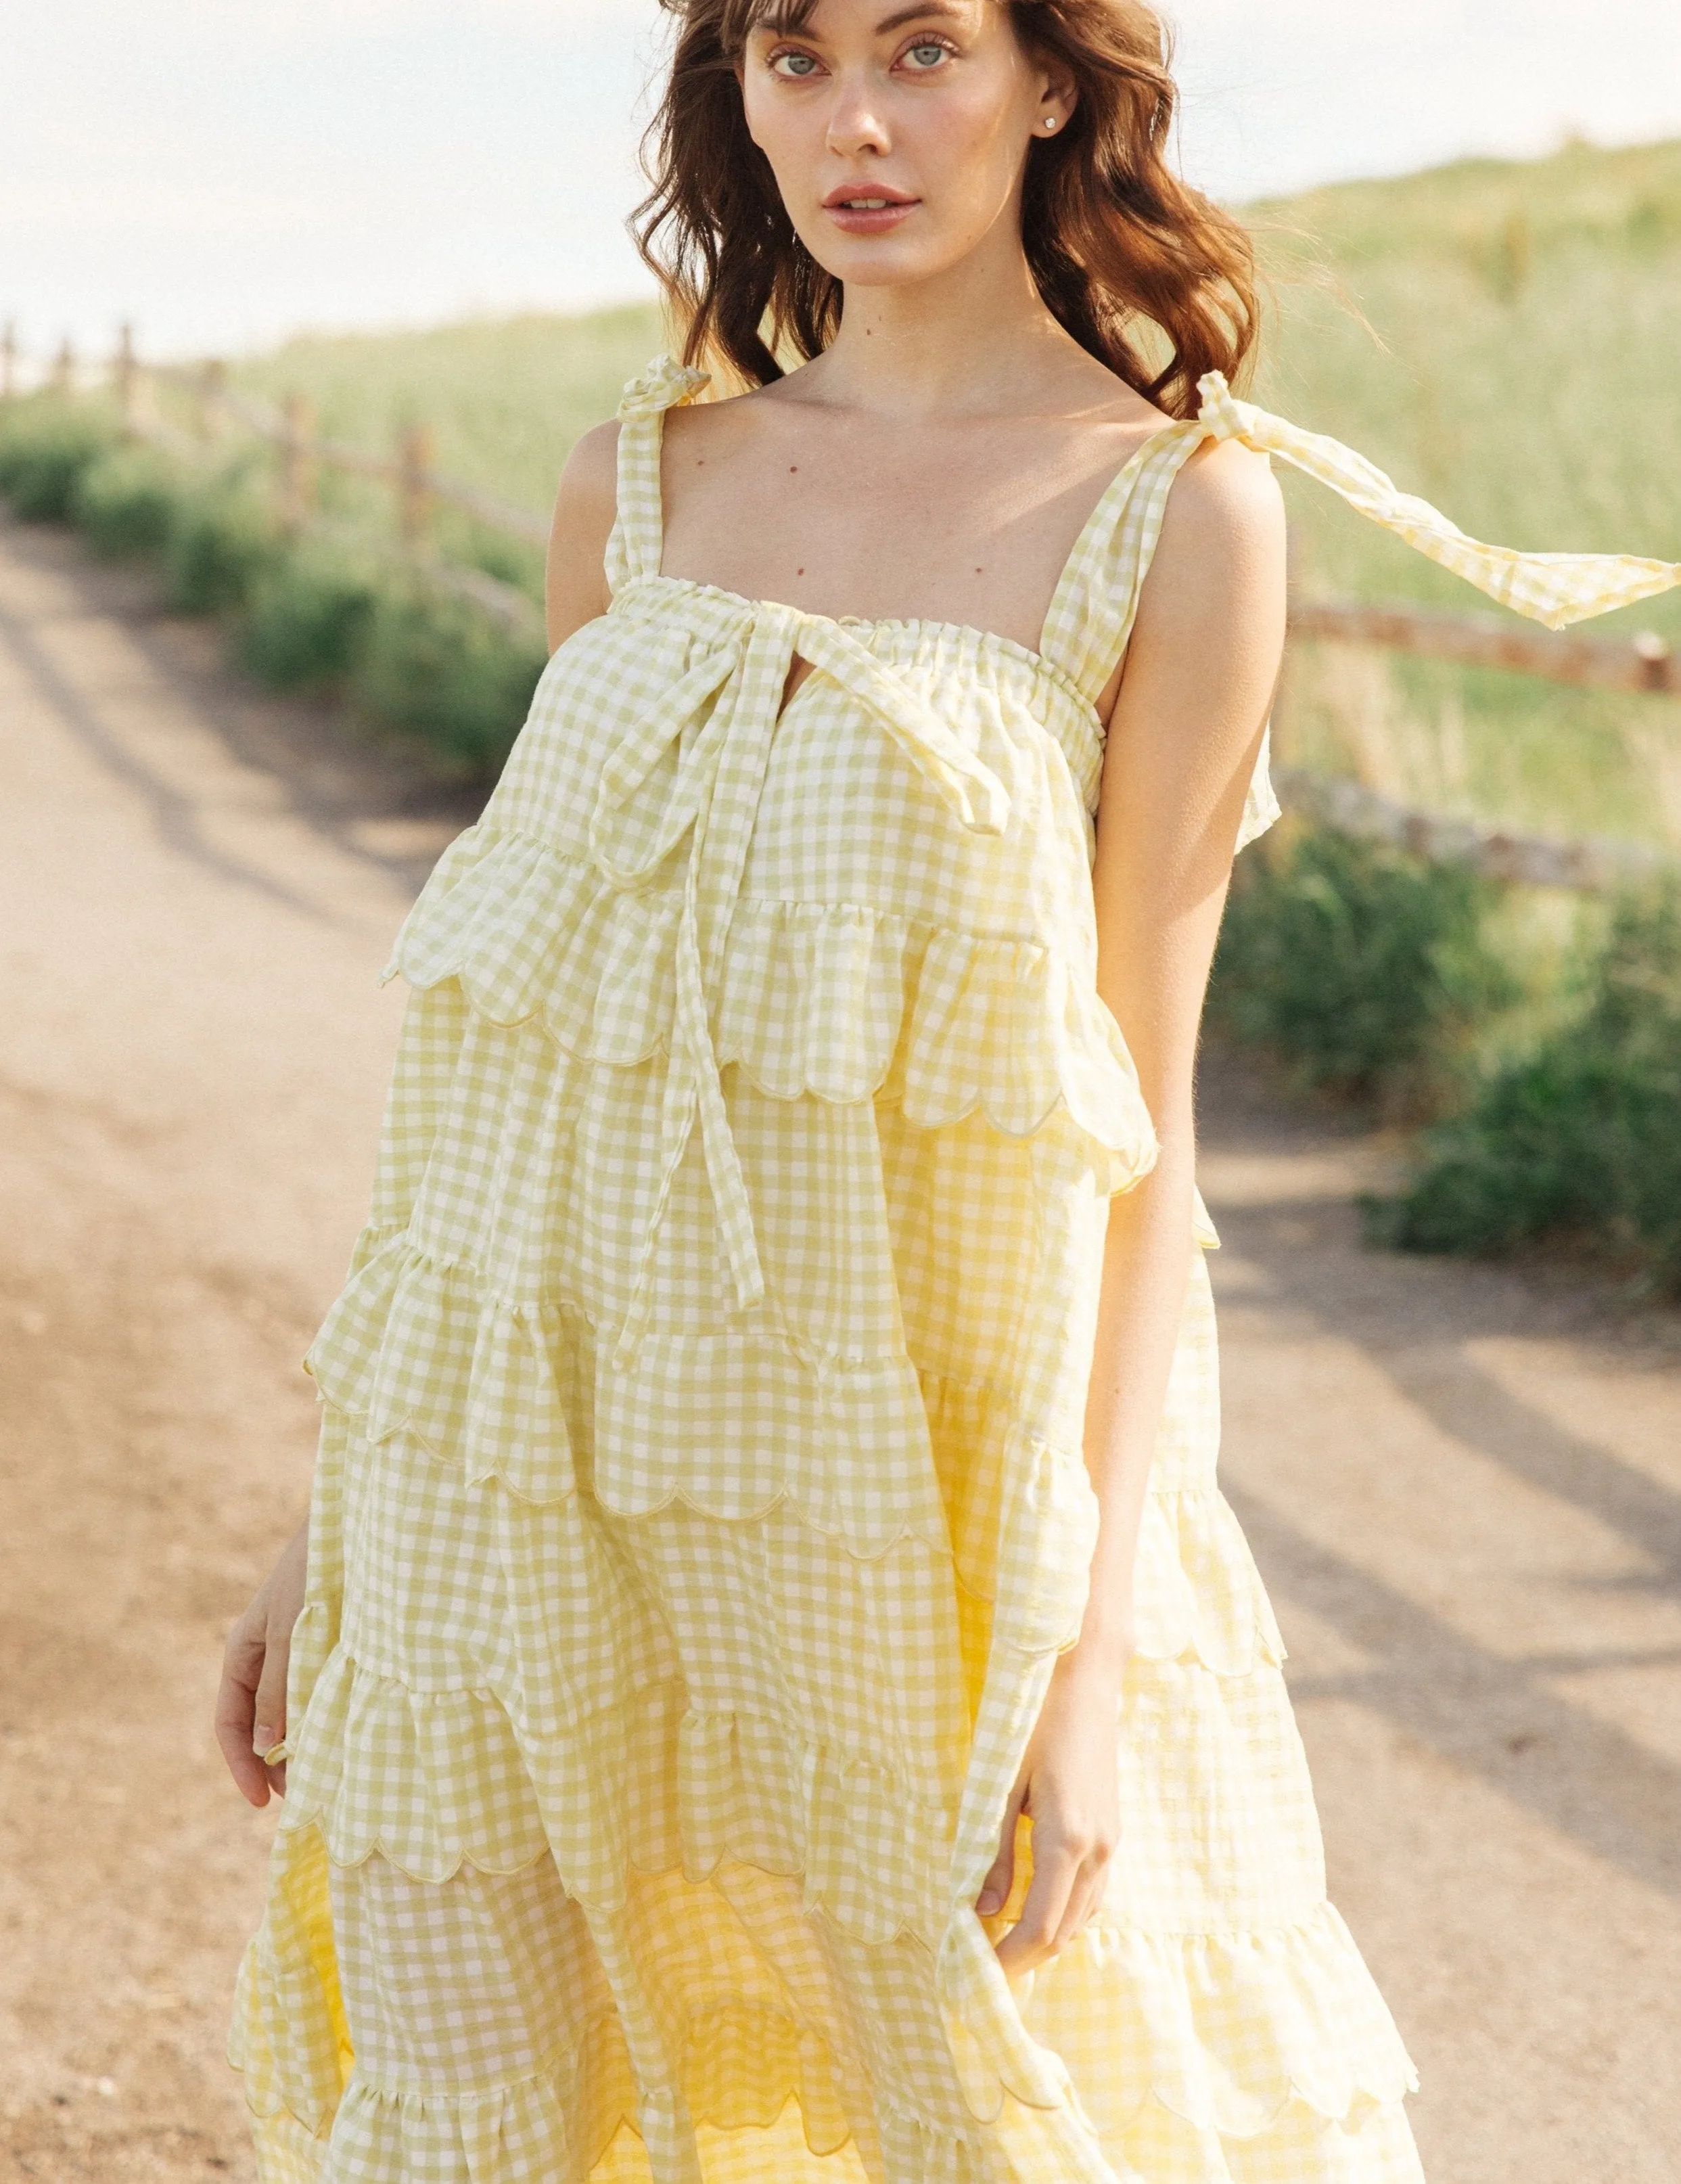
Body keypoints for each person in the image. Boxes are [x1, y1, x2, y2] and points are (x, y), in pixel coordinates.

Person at [216, 3, 1680, 2179]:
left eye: (924, 51)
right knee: (513, 2112)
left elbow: (1143, 1121)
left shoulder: (1179, 516)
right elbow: (522, 1065)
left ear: (1055, 80)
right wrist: (341, 1506)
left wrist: (1085, 1665)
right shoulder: (634, 491)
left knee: (981, 2106)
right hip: (525, 1488)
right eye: (794, 61)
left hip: (914, 1490)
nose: (858, 125)